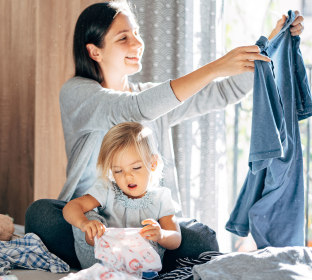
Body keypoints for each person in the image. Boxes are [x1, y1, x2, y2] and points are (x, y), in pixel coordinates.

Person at [24, 0, 306, 269]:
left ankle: (137, 256)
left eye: (137, 34)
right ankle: (109, 256)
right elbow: (133, 109)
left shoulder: (152, 97)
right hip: (94, 225)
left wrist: (270, 46)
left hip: (149, 229)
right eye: (123, 38)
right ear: (94, 51)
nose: (137, 43)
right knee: (41, 215)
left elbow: (224, 91)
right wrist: (216, 67)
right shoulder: (78, 93)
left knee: (202, 239)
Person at [63, 122, 181, 269]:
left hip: (142, 267)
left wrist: (161, 235)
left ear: (153, 163)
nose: (128, 177)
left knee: (198, 238)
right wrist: (84, 223)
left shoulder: (161, 198)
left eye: (136, 168)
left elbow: (176, 239)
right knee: (88, 215)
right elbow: (72, 206)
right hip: (104, 262)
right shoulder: (108, 190)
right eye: (118, 171)